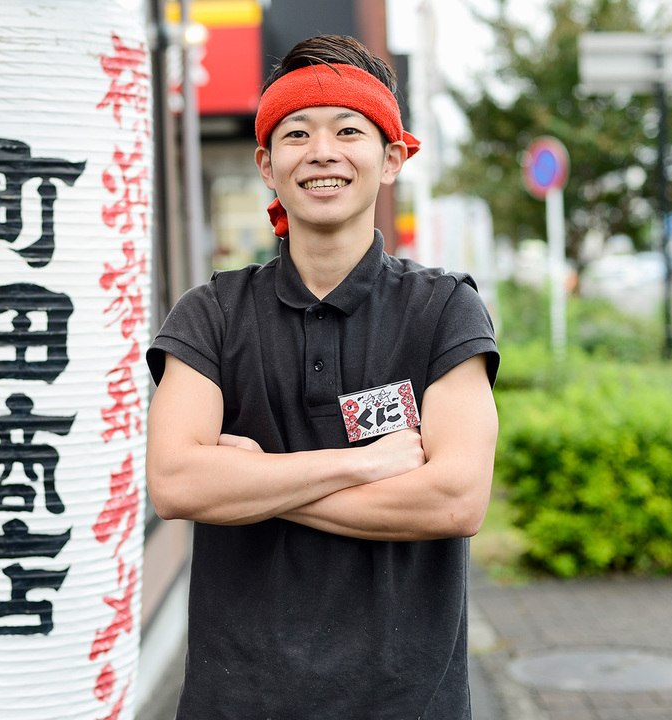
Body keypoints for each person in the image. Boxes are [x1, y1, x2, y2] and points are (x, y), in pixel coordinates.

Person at [145, 35, 500, 718]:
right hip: (236, 700)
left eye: (349, 130)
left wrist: (252, 482)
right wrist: (362, 465)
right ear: (267, 165)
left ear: (391, 158)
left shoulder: (444, 310)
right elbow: (176, 483)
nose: (322, 152)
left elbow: (457, 500)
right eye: (296, 133)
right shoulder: (211, 313)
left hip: (406, 701)